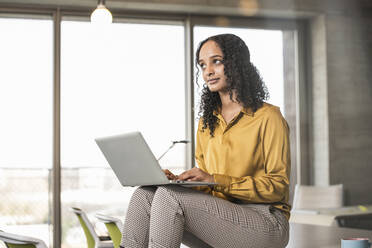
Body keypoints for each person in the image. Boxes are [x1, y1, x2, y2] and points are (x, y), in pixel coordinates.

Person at [119, 33, 291, 248]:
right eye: (202, 65)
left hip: (266, 223)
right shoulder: (206, 123)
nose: (207, 71)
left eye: (216, 62)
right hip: (221, 218)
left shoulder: (268, 117)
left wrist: (215, 179)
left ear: (237, 64)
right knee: (145, 194)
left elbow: (278, 187)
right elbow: (210, 188)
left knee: (168, 197)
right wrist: (178, 181)